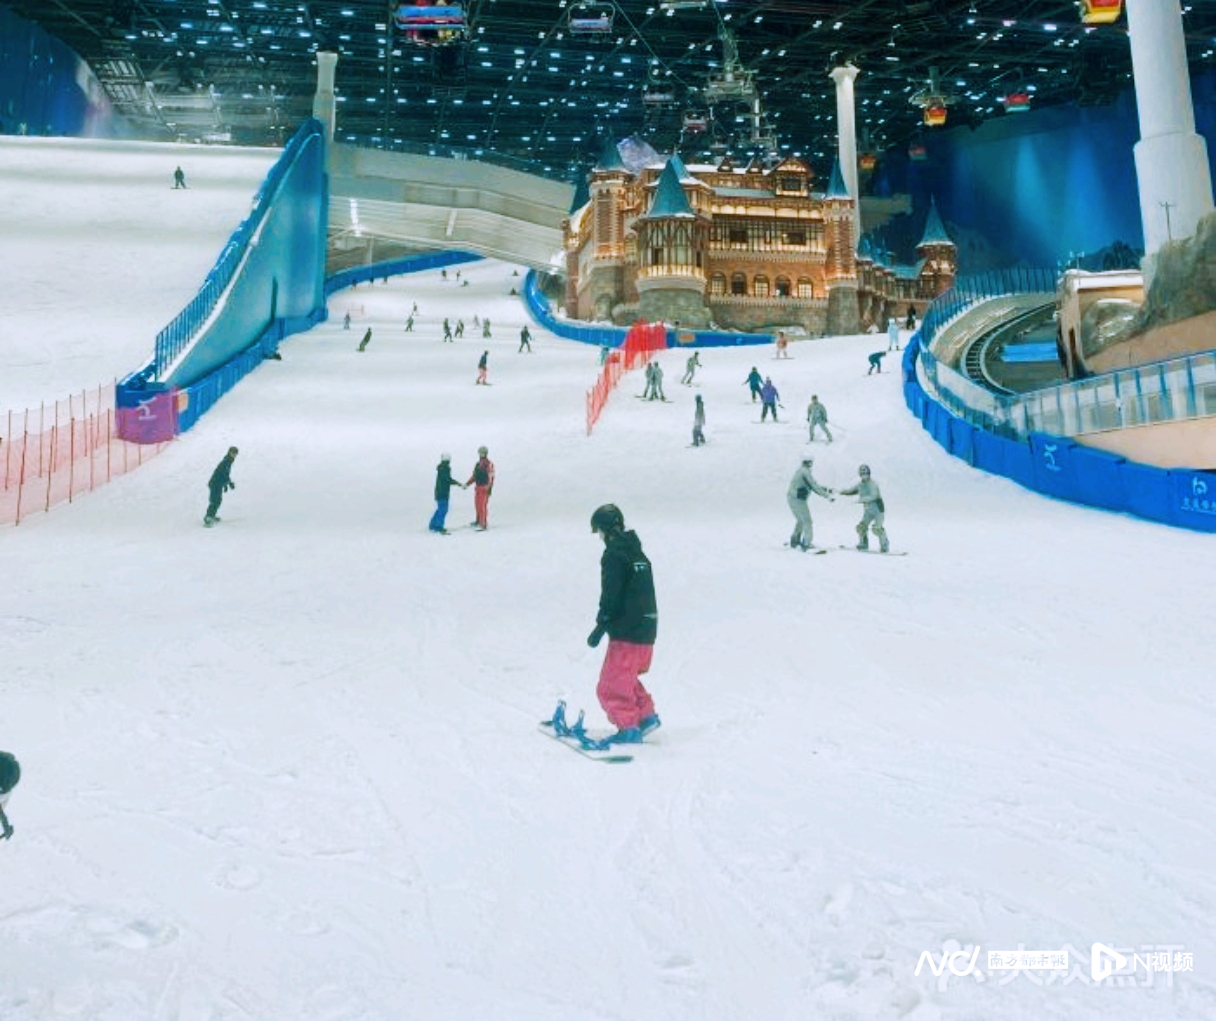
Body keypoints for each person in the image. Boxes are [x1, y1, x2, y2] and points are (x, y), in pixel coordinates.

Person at [587, 504, 660, 743]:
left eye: (599, 532)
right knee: (624, 678)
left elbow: (612, 594)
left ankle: (628, 727)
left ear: (606, 530)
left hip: (627, 633)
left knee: (609, 687)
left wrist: (601, 624)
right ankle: (646, 716)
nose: (600, 537)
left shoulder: (614, 555)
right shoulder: (637, 553)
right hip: (647, 631)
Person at [787, 456, 834, 551]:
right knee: (807, 521)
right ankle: (806, 543)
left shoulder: (801, 471)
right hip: (797, 499)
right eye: (810, 462)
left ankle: (795, 540)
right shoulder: (805, 472)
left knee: (801, 520)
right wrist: (827, 496)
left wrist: (826, 489)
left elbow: (812, 484)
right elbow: (813, 486)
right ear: (808, 462)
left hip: (792, 498)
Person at [838, 464, 888, 552]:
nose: (864, 476)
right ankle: (863, 543)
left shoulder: (873, 484)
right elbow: (851, 491)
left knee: (877, 529)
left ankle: (884, 545)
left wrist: (860, 500)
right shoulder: (860, 485)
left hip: (878, 510)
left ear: (869, 473)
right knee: (861, 527)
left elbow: (874, 496)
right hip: (868, 510)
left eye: (866, 473)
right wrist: (840, 491)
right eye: (862, 474)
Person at [429, 453, 465, 534]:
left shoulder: (441, 468)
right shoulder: (445, 468)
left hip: (439, 492)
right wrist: (458, 483)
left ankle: (432, 525)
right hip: (443, 492)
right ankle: (438, 526)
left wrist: (457, 483)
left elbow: (447, 479)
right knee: (443, 509)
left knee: (440, 509)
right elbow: (448, 479)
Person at [204, 446, 238, 527]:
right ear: (229, 452)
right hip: (215, 484)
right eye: (233, 453)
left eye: (235, 454)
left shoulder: (228, 461)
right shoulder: (226, 462)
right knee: (215, 500)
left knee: (218, 500)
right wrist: (229, 483)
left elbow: (225, 475)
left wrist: (226, 484)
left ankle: (212, 515)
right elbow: (222, 474)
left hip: (218, 484)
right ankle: (208, 517)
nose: (234, 455)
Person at [466, 446, 495, 530]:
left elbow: (491, 476)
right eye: (480, 452)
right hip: (478, 487)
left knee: (482, 506)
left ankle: (484, 523)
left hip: (484, 487)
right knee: (477, 505)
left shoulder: (489, 464)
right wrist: (467, 484)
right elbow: (474, 476)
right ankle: (478, 520)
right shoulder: (478, 464)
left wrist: (489, 487)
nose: (481, 454)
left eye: (483, 452)